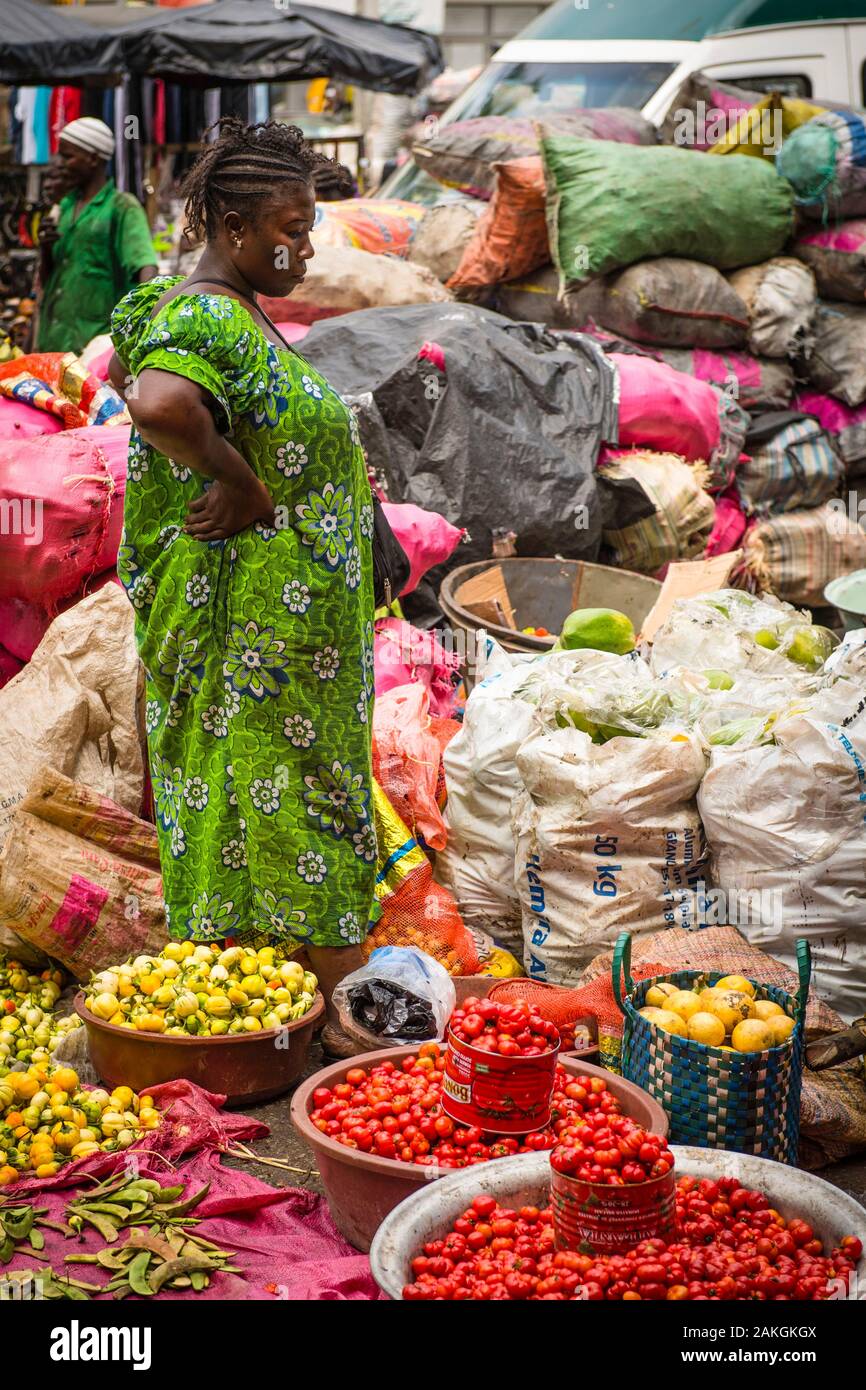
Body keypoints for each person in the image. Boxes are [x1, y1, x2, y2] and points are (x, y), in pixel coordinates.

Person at [107, 119, 377, 1040]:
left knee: (266, 796)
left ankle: (275, 1009)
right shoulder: (205, 311)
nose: (302, 246)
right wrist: (241, 482)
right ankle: (277, 1020)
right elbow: (158, 401)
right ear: (230, 227)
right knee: (265, 798)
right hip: (251, 638)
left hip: (281, 639)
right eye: (288, 228)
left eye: (308, 229)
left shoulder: (230, 309)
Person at [37, 118, 158, 354]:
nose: (60, 164)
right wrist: (45, 249)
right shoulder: (65, 206)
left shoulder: (121, 207)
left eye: (68, 156)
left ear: (93, 159)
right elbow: (49, 279)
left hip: (94, 348)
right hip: (53, 344)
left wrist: (140, 332)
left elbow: (146, 267)